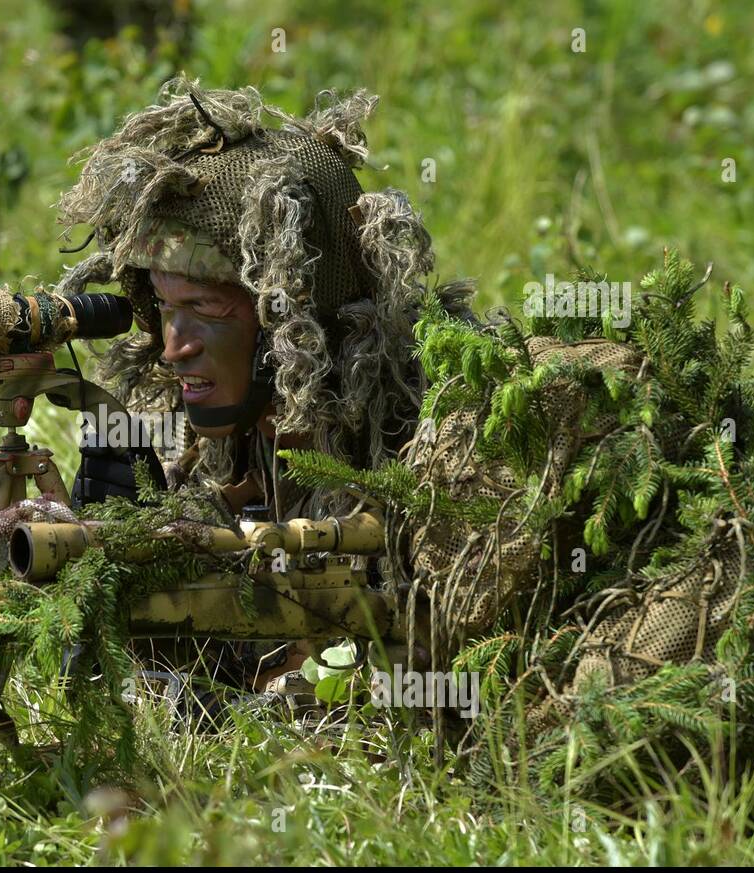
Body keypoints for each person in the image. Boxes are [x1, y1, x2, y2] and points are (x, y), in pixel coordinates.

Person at [53, 76, 474, 714]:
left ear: (291, 325)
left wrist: (259, 700)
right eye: (165, 307)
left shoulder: (417, 444)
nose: (174, 347)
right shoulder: (202, 448)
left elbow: (434, 663)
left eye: (205, 309)